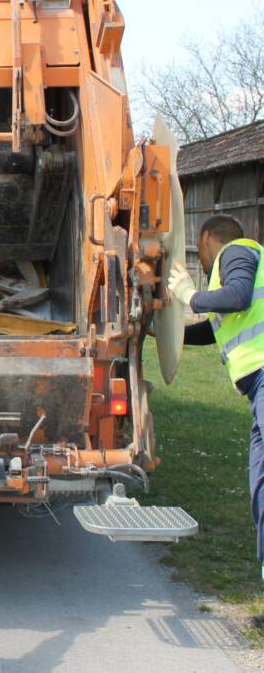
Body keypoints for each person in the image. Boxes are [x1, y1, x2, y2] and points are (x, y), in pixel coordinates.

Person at [168, 214, 264, 624]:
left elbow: (237, 297)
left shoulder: (237, 252)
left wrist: (189, 297)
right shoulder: (234, 262)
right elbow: (218, 327)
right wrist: (167, 332)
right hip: (258, 389)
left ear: (206, 238)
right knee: (259, 491)